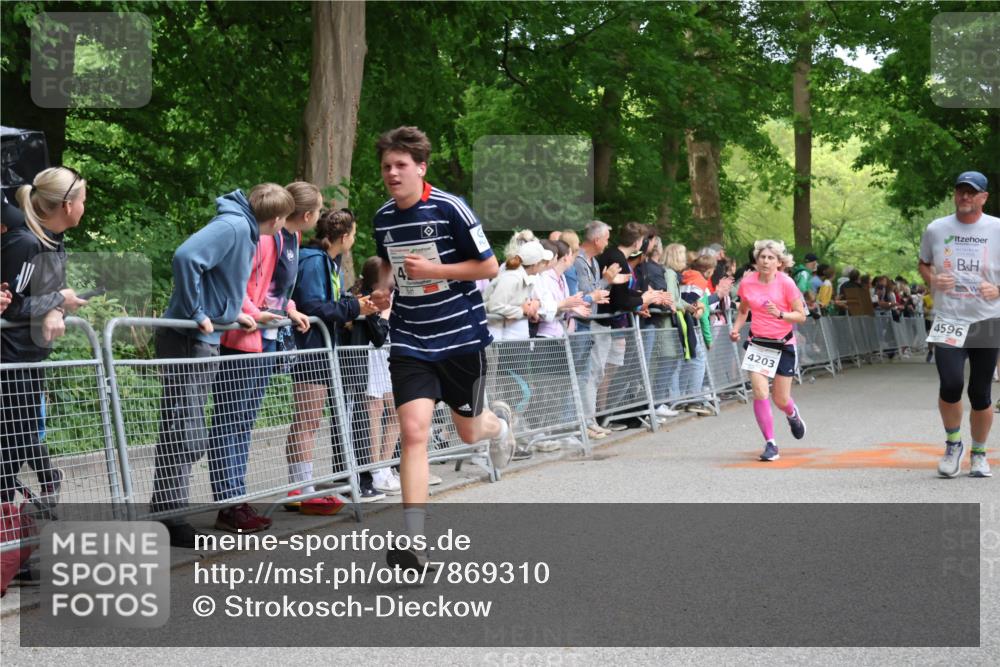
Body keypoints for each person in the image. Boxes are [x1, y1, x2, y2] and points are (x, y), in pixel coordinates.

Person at [370, 126, 515, 571]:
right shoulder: (383, 217)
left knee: (470, 430)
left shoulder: (449, 207)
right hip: (411, 339)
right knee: (413, 432)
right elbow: (391, 269)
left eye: (400, 166)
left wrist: (436, 268)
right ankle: (414, 542)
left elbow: (489, 266)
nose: (392, 174)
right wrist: (382, 292)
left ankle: (500, 426)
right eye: (386, 167)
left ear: (420, 168)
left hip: (461, 339)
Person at [150, 183, 291, 547]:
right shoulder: (232, 226)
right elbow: (186, 257)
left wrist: (234, 313)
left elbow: (219, 280)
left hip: (206, 337)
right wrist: (197, 312)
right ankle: (169, 517)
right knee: (184, 428)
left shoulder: (242, 227)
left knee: (185, 427)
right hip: (190, 338)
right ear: (276, 219)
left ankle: (167, 512)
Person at [206, 181, 316, 532]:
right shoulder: (265, 237)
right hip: (243, 337)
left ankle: (238, 499)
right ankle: (230, 502)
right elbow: (239, 284)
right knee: (230, 419)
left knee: (244, 421)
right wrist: (254, 312)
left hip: (267, 338)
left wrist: (290, 308)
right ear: (307, 214)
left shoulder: (290, 239)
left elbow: (278, 288)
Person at [1, 166, 89, 508]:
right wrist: (57, 301)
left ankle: (9, 537)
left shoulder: (53, 242)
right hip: (9, 359)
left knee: (20, 442)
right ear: (67, 205)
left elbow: (47, 296)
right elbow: (12, 307)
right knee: (13, 446)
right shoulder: (24, 242)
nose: (84, 207)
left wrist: (58, 308)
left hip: (29, 358)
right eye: (83, 200)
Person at [286, 208, 381, 510]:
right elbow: (313, 305)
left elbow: (329, 301)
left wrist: (353, 305)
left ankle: (299, 488)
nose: (354, 239)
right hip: (310, 347)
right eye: (353, 234)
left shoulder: (327, 261)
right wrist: (354, 310)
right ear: (343, 236)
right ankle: (302, 490)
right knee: (308, 418)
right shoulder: (315, 261)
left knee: (308, 419)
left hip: (320, 346)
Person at [918, 171, 1000, 478]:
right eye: (960, 191)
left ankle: (979, 453)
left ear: (983, 197)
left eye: (971, 192)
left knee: (980, 392)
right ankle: (953, 445)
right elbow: (924, 263)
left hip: (987, 319)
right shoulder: (937, 229)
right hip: (949, 318)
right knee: (951, 384)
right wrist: (933, 279)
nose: (964, 197)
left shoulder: (997, 229)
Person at [729, 239, 808, 462]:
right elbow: (744, 311)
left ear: (779, 262)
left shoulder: (786, 283)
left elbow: (801, 315)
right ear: (756, 260)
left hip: (783, 343)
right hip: (759, 344)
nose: (765, 261)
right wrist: (735, 329)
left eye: (771, 258)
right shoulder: (747, 283)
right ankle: (771, 444)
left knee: (780, 399)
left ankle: (792, 415)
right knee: (760, 392)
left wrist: (780, 314)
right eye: (762, 257)